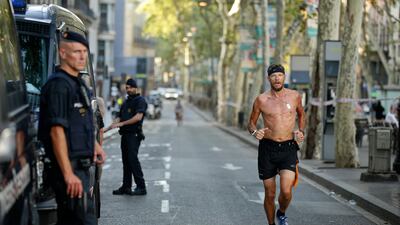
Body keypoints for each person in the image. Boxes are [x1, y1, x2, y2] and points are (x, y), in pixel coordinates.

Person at [38, 31, 106, 225]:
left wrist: (94, 145)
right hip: (68, 169)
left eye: (84, 51)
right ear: (63, 53)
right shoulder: (59, 86)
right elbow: (56, 131)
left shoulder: (78, 84)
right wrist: (68, 174)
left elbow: (80, 122)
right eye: (76, 51)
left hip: (81, 168)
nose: (82, 56)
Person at [247, 64, 306, 225]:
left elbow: (301, 114)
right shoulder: (261, 100)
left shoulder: (295, 96)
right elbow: (251, 123)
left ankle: (281, 212)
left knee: (286, 192)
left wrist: (301, 130)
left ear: (284, 77)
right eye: (274, 76)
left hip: (288, 148)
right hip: (267, 149)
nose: (277, 78)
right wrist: (255, 132)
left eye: (280, 75)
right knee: (270, 193)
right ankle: (271, 224)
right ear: (269, 79)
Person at [109, 78, 148, 196]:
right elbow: (119, 118)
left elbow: (138, 117)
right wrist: (107, 128)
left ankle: (141, 187)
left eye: (130, 87)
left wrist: (122, 123)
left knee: (132, 159)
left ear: (135, 88)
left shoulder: (140, 100)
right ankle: (126, 186)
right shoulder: (125, 102)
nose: (128, 89)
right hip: (125, 135)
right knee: (126, 161)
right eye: (127, 88)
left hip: (134, 135)